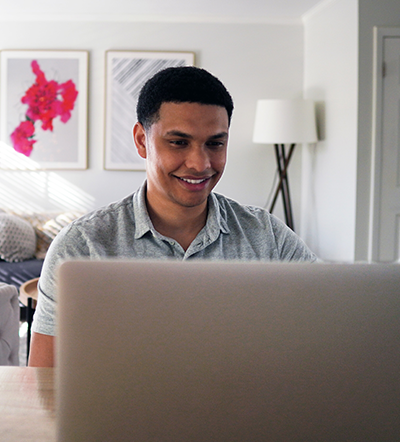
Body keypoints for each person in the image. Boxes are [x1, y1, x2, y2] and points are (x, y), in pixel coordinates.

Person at [29, 66, 317, 367]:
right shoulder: (81, 245)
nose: (200, 163)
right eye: (179, 142)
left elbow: (327, 326)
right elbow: (42, 382)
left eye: (215, 143)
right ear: (142, 140)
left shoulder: (267, 237)